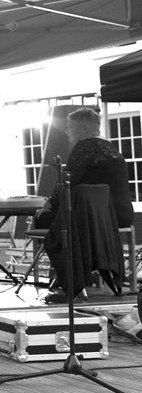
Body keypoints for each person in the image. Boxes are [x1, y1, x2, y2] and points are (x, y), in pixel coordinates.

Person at [36, 107, 132, 303]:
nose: (67, 131)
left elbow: (66, 181)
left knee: (44, 220)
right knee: (65, 218)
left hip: (98, 217)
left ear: (85, 129)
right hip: (120, 215)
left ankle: (70, 281)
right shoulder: (111, 148)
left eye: (70, 127)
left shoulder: (84, 147)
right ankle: (81, 274)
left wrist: (50, 203)